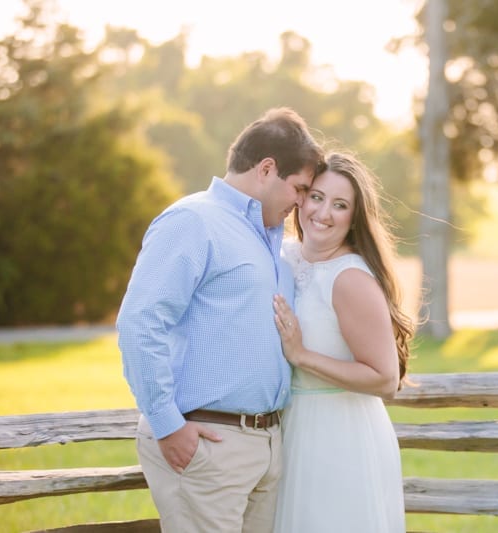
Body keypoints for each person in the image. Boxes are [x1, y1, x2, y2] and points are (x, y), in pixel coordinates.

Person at [116, 107, 324, 533]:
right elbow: (140, 323)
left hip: (266, 445)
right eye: (300, 188)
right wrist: (168, 426)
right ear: (267, 169)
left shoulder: (272, 240)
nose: (302, 203)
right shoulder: (193, 221)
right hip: (207, 443)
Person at [272, 151, 415, 532]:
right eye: (317, 197)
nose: (323, 212)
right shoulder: (283, 256)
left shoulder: (350, 278)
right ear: (300, 198)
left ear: (354, 219)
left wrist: (302, 356)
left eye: (340, 205)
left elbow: (384, 379)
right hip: (287, 429)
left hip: (340, 436)